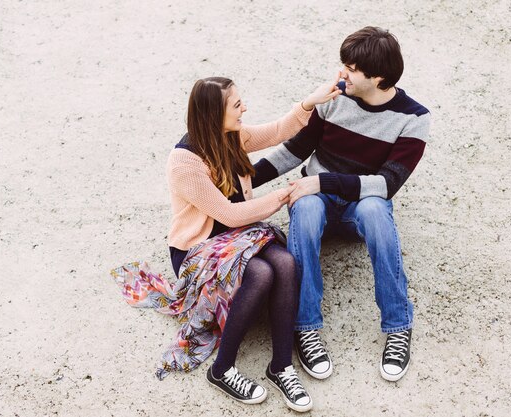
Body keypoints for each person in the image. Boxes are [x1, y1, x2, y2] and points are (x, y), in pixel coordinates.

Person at [112, 75, 340, 412]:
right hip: (200, 248)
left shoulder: (230, 136)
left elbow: (278, 130)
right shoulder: (184, 163)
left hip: (240, 236)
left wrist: (311, 101)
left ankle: (281, 365)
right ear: (212, 114)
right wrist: (282, 196)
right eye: (236, 104)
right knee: (261, 273)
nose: (244, 107)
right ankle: (222, 369)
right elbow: (229, 215)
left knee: (286, 263)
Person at [253, 26, 430, 382]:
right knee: (305, 207)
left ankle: (398, 326)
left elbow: (387, 184)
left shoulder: (414, 118)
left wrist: (322, 180)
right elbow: (297, 150)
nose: (341, 73)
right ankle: (305, 327)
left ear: (378, 78)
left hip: (358, 210)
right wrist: (241, 181)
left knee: (375, 209)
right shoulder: (335, 97)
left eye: (350, 68)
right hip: (315, 202)